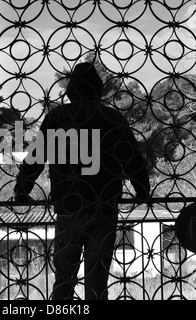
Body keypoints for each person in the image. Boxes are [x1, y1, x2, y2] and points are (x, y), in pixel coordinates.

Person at [14, 62, 150, 300]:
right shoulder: (111, 118)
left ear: (72, 90)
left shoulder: (57, 117)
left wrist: (22, 190)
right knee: (97, 283)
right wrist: (142, 191)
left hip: (69, 206)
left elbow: (36, 157)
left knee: (64, 280)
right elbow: (132, 159)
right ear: (98, 89)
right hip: (103, 207)